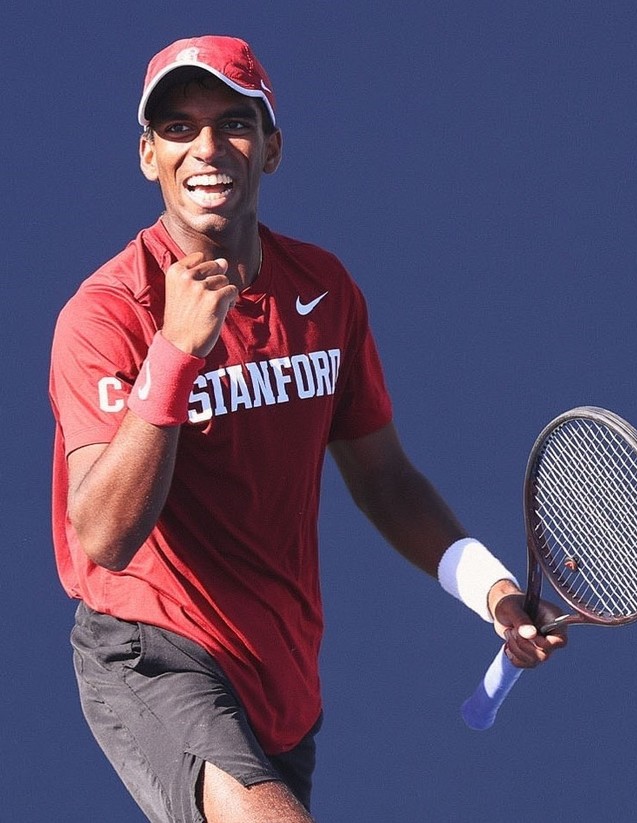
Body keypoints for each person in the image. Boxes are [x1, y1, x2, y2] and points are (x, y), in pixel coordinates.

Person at [49, 35, 566, 823]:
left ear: (273, 149)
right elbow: (104, 535)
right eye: (180, 129)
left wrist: (493, 588)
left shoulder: (325, 292)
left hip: (281, 687)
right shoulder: (108, 314)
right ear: (148, 155)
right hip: (153, 652)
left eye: (234, 122)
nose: (208, 148)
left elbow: (385, 478)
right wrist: (175, 352)